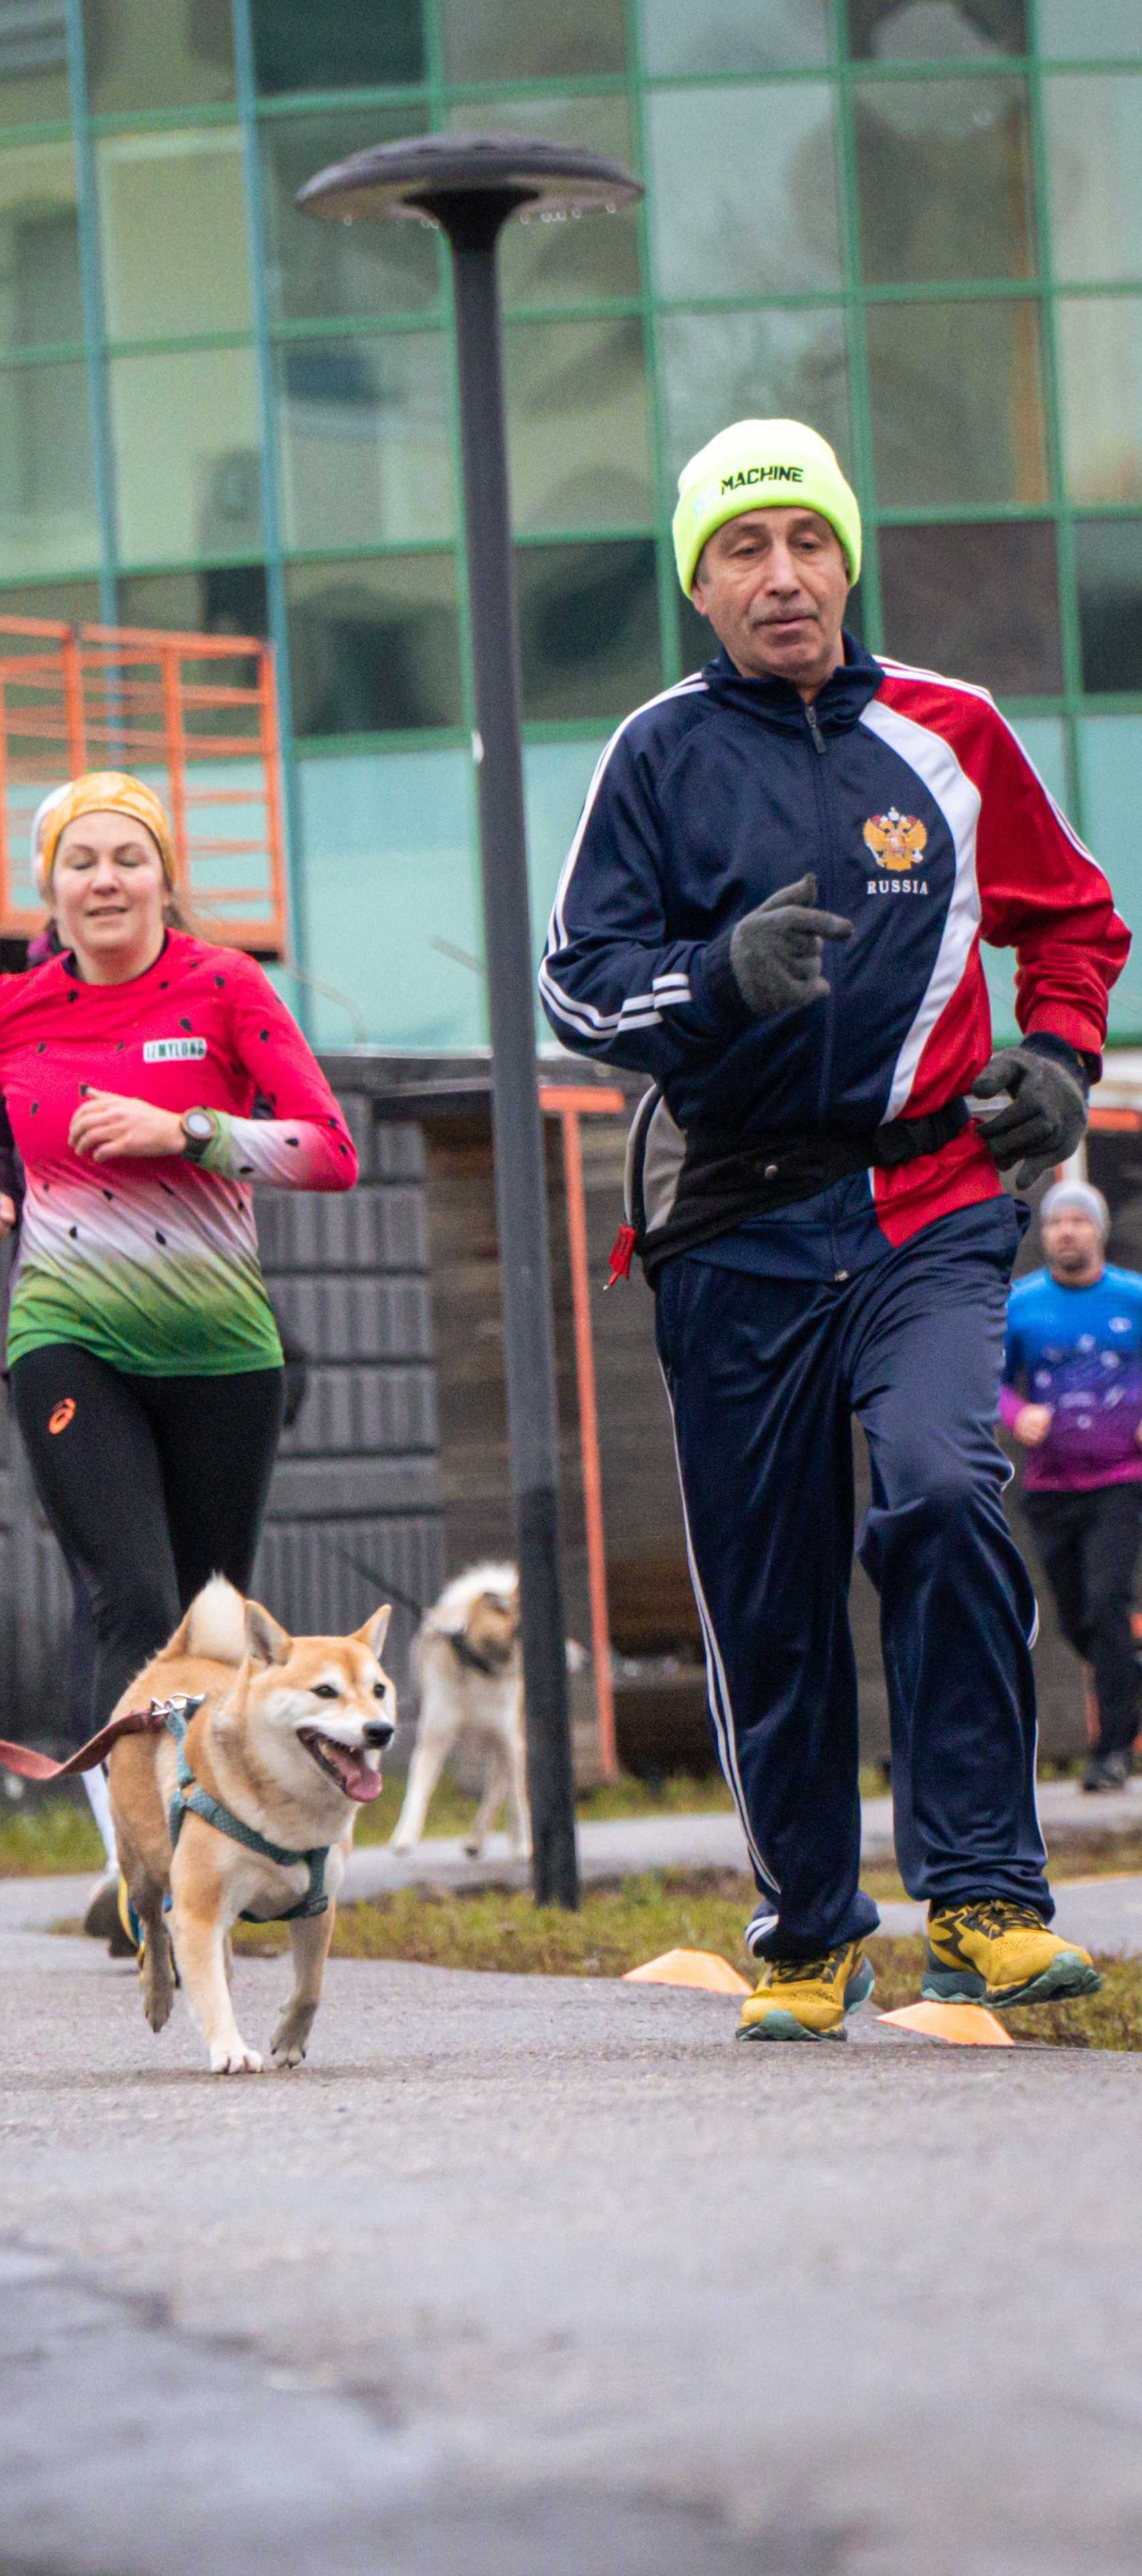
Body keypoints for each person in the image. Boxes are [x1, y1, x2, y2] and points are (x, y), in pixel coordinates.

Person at [538, 416, 1129, 2041]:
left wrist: (1058, 1060)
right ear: (697, 583)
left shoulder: (951, 731)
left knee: (944, 1488)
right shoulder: (654, 755)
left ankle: (987, 1901)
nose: (780, 575)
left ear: (846, 557)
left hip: (927, 1197)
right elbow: (571, 984)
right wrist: (712, 979)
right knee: (765, 1582)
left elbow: (1071, 916)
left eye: (806, 541)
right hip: (731, 1218)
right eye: (742, 549)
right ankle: (805, 1923)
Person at [0, 768, 355, 1774]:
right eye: (81, 863)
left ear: (164, 879)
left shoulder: (225, 987)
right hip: (70, 1340)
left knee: (208, 1628)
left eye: (130, 859)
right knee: (128, 1599)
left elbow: (331, 1152)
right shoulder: (8, 1011)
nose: (106, 881)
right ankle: (140, 1868)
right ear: (53, 892)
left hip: (222, 1350)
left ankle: (195, 1835)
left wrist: (191, 1130)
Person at [1003, 1179, 1142, 1794]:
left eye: (1079, 1222)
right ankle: (1127, 1676)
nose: (1067, 1231)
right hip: (1052, 1486)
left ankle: (1111, 1752)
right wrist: (1016, 1415)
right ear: (1045, 1234)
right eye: (1057, 1223)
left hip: (1121, 1480)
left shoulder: (1133, 1298)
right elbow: (993, 1383)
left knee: (1108, 1601)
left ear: (1098, 1232)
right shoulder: (1021, 1304)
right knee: (1076, 1618)